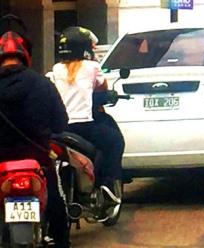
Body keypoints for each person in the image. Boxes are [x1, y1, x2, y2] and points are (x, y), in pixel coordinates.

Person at [0, 24, 70, 248]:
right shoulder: (43, 84)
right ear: (25, 56)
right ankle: (60, 240)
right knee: (57, 202)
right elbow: (61, 123)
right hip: (38, 160)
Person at [48, 27, 125, 202]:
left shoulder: (56, 69)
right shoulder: (92, 67)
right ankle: (107, 184)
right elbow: (102, 88)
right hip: (85, 127)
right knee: (115, 141)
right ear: (84, 47)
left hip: (60, 128)